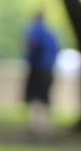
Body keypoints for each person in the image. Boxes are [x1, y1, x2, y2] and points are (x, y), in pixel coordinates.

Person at [22, 11, 59, 140]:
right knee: (46, 99)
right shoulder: (51, 33)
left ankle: (37, 127)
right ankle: (47, 127)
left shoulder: (34, 30)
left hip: (38, 68)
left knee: (35, 99)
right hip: (49, 69)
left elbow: (31, 44)